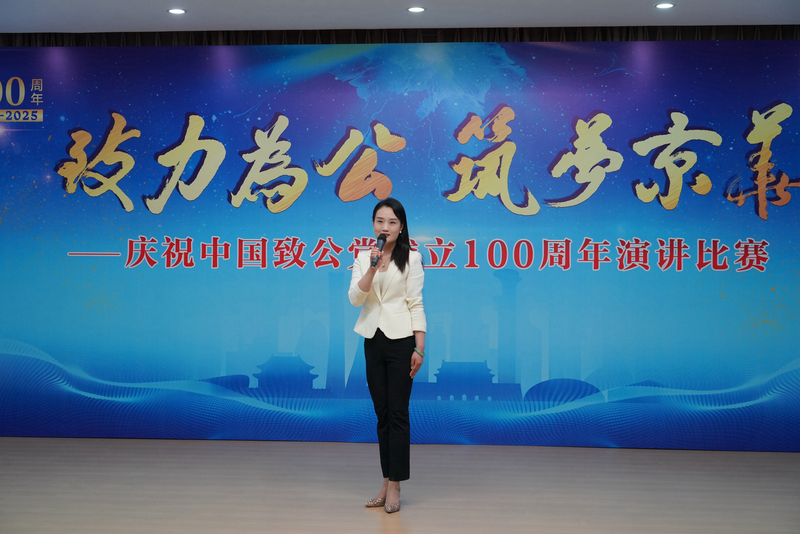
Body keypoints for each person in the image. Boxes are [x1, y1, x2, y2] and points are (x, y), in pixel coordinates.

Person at [348, 198, 426, 514]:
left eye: (392, 222)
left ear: (401, 226)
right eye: (380, 221)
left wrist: (419, 347)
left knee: (398, 413)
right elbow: (356, 298)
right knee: (381, 414)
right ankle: (385, 480)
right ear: (373, 225)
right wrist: (372, 266)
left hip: (402, 341)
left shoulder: (412, 259)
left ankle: (395, 485)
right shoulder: (363, 257)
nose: (385, 227)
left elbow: (415, 303)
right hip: (373, 339)